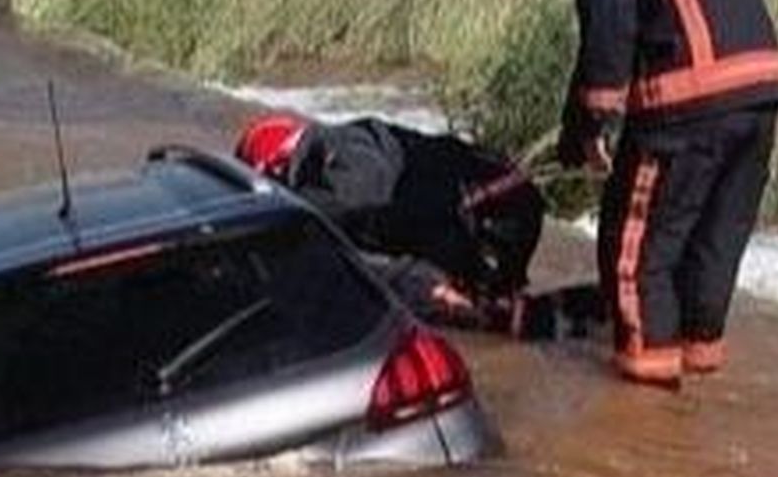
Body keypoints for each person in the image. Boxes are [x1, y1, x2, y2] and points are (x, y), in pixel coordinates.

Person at [527, 0, 778, 388]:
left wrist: (594, 126)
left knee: (635, 258)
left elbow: (610, 28)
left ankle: (646, 423)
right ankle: (698, 391)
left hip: (684, 104)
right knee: (710, 246)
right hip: (762, 92)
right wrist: (580, 125)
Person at [234, 114, 545, 330]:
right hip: (511, 197)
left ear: (274, 169)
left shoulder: (333, 170)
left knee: (361, 277)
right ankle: (505, 300)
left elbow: (364, 226)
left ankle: (477, 304)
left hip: (488, 219)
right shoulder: (363, 134)